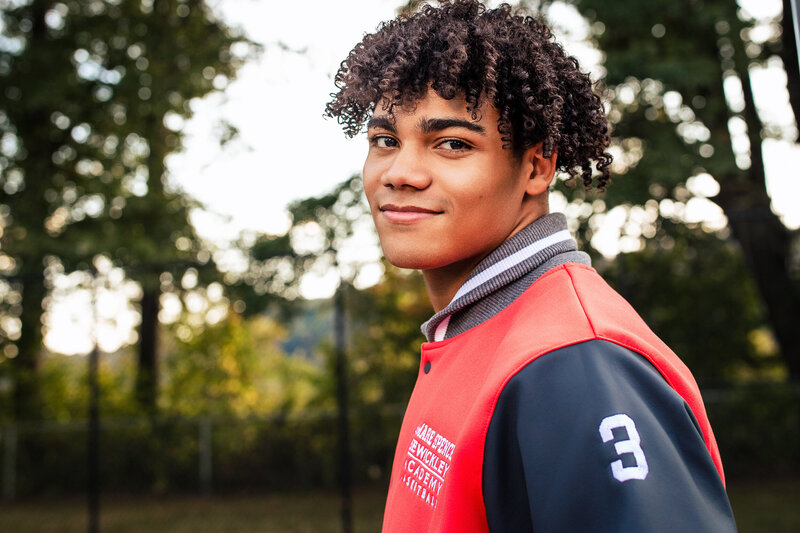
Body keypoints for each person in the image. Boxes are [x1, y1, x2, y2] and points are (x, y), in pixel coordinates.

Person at [325, 1, 737, 531]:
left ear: (537, 167)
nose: (400, 173)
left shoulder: (575, 363)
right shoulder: (477, 326)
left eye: (451, 144)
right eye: (385, 141)